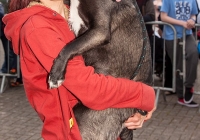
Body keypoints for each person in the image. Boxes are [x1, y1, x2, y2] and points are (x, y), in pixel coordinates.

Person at [3, 0, 156, 139]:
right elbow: (90, 89)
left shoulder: (72, 13)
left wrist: (135, 108)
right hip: (74, 132)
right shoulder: (38, 27)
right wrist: (143, 95)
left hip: (101, 123)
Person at [160, 0, 199, 107]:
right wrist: (182, 23)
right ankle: (181, 95)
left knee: (193, 54)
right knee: (178, 66)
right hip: (172, 35)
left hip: (187, 34)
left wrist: (191, 20)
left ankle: (189, 86)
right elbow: (163, 17)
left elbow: (193, 14)